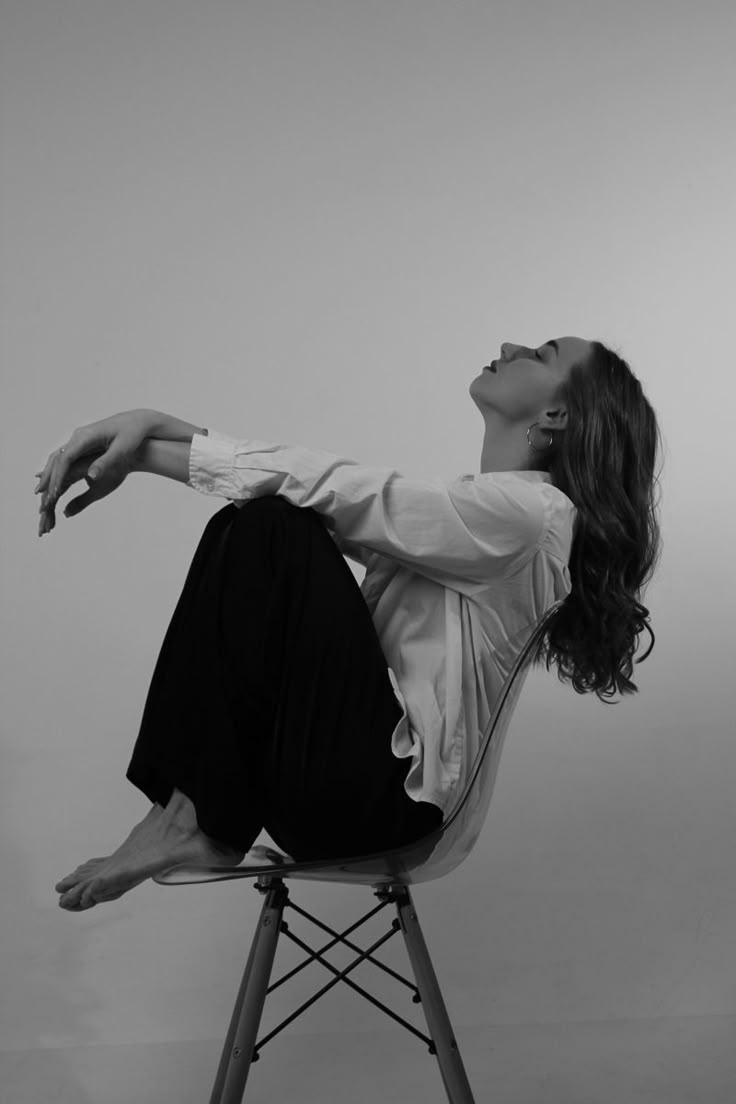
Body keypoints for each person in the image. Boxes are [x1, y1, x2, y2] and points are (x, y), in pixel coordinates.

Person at [39, 336, 662, 912]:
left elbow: (339, 491)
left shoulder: (533, 517)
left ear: (558, 416)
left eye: (542, 352)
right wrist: (152, 429)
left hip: (391, 810)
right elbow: (332, 497)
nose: (510, 346)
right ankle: (181, 809)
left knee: (273, 526)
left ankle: (191, 818)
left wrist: (146, 447)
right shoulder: (488, 516)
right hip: (339, 795)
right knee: (255, 524)